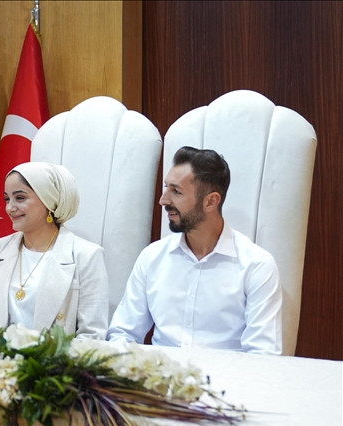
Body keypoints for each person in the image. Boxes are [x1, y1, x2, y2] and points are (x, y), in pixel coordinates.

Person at [107, 146, 282, 354]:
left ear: (211, 201)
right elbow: (122, 334)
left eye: (176, 192)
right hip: (158, 380)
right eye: (166, 188)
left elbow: (263, 355)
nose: (163, 200)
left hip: (227, 383)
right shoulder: (152, 257)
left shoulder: (257, 266)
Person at [0, 162, 109, 338]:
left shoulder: (87, 255)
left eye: (20, 198)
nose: (9, 207)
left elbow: (92, 335)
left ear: (48, 201)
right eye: (7, 199)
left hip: (57, 364)